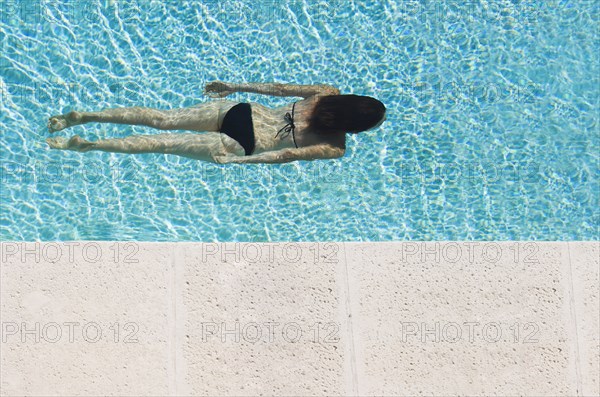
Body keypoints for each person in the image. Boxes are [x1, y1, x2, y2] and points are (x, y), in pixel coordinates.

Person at [46, 82, 386, 164]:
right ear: (357, 127)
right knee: (158, 145)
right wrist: (242, 160)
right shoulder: (335, 147)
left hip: (243, 111)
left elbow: (278, 88)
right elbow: (284, 157)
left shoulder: (327, 93)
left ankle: (86, 117)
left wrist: (234, 87)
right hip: (243, 144)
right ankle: (87, 145)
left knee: (161, 120)